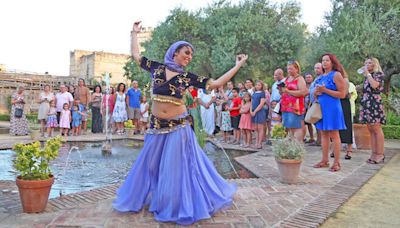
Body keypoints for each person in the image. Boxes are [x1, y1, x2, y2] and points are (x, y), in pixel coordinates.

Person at [113, 21, 248, 225]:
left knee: (177, 168)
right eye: (186, 52)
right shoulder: (156, 68)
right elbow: (136, 55)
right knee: (151, 165)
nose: (189, 57)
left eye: (191, 55)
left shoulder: (188, 77)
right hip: (157, 127)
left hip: (178, 127)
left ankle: (178, 204)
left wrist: (238, 64)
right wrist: (134, 33)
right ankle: (161, 198)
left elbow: (216, 84)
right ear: (175, 52)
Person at [313, 53, 347, 172]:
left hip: (332, 108)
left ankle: (337, 162)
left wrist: (325, 90)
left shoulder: (336, 75)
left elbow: (342, 94)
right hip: (322, 108)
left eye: (327, 60)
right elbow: (317, 94)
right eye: (323, 60)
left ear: (332, 62)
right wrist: (316, 94)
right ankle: (324, 160)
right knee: (323, 134)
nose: (324, 62)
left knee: (334, 134)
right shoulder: (321, 77)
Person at [359, 57, 386, 164]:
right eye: (365, 63)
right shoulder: (367, 76)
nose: (367, 65)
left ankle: (380, 154)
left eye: (369, 63)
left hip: (374, 103)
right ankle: (374, 153)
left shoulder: (378, 74)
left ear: (375, 64)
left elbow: (375, 85)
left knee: (376, 128)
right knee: (370, 129)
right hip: (367, 103)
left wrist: (368, 75)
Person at [279, 60, 309, 142]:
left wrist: (288, 91)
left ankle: (298, 145)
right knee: (289, 127)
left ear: (297, 69)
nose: (289, 71)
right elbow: (284, 91)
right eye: (288, 69)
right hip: (286, 107)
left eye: (291, 69)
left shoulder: (300, 78)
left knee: (297, 126)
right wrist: (281, 90)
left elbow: (304, 92)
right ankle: (292, 146)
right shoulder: (287, 79)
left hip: (295, 107)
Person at [309, 63, 324, 146]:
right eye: (315, 68)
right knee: (316, 122)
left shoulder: (323, 78)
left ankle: (322, 141)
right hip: (314, 103)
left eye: (318, 68)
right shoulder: (316, 79)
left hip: (320, 104)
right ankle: (319, 140)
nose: (316, 70)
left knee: (320, 122)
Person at [251, 81, 267, 149]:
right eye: (256, 85)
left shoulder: (262, 93)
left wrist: (255, 111)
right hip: (254, 112)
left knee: (260, 128)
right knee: (256, 128)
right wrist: (251, 111)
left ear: (261, 86)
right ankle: (256, 142)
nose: (257, 86)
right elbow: (251, 102)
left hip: (259, 112)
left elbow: (261, 104)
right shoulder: (254, 93)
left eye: (259, 85)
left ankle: (260, 143)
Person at [303, 72, 315, 143]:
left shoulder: (314, 85)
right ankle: (304, 137)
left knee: (314, 122)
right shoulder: (303, 86)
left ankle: (312, 137)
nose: (308, 79)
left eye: (309, 77)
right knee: (305, 123)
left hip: (312, 106)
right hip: (304, 106)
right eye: (307, 77)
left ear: (312, 78)